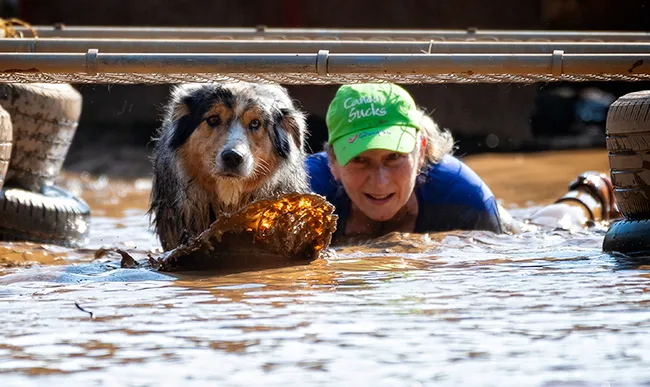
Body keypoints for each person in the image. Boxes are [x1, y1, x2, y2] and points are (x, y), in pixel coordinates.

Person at [305, 83, 619, 243]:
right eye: (360, 160)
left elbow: (526, 261)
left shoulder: (462, 195)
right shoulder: (303, 191)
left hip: (505, 220)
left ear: (421, 151)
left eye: (394, 157)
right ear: (332, 162)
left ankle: (589, 193)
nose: (381, 181)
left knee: (545, 231)